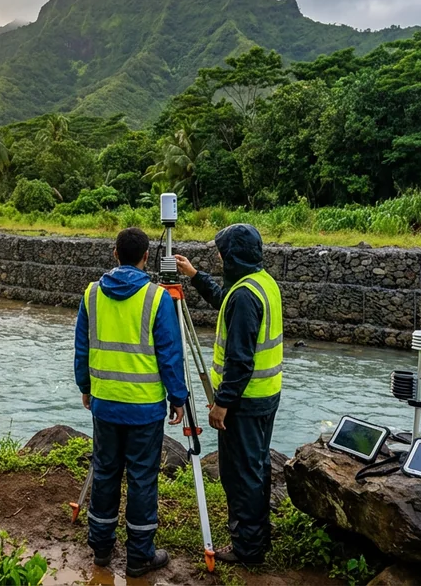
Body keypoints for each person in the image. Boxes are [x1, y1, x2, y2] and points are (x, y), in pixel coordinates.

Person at [74, 227, 189, 577]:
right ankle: (140, 555)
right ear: (146, 257)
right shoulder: (157, 298)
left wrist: (85, 385)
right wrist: (178, 397)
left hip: (105, 403)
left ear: (114, 254)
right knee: (141, 478)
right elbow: (170, 354)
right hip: (144, 407)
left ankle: (101, 549)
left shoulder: (92, 294)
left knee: (106, 472)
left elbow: (82, 347)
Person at [173, 223, 282, 565]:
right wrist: (194, 274)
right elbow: (224, 301)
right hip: (265, 395)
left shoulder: (245, 296)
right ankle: (256, 539)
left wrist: (222, 404)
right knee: (256, 467)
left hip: (245, 402)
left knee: (241, 474)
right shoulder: (261, 284)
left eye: (221, 253)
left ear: (233, 255)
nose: (219, 258)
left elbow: (239, 361)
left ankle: (247, 549)